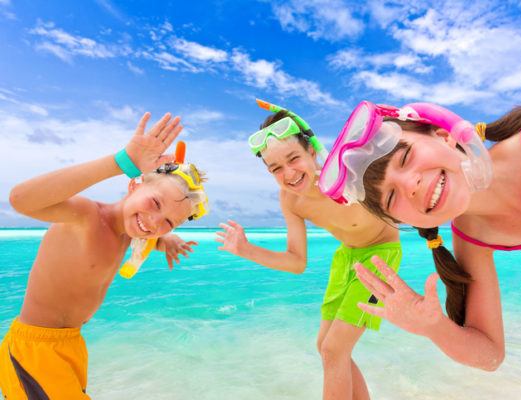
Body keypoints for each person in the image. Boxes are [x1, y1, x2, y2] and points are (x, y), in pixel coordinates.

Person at [319, 93, 521, 399]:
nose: (410, 185)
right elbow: (490, 355)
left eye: (405, 158)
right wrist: (432, 326)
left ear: (444, 135)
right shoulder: (472, 235)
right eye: (391, 197)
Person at [0, 112, 208, 398]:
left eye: (169, 221)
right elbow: (20, 200)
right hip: (35, 349)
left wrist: (166, 240)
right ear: (135, 184)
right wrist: (120, 162)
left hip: (69, 345)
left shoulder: (129, 232)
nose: (155, 221)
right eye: (156, 202)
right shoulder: (86, 217)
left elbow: (148, 233)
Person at [215, 100, 401, 400]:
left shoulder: (343, 172)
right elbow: (297, 261)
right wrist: (246, 249)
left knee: (333, 349)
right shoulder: (291, 201)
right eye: (276, 168)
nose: (288, 173)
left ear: (311, 151)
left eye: (294, 159)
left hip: (381, 255)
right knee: (325, 346)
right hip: (347, 259)